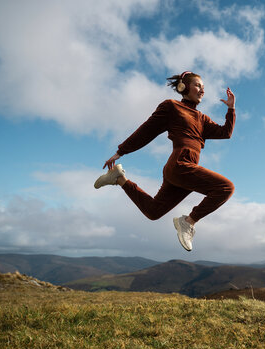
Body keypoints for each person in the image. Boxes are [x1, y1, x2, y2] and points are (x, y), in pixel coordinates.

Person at [94, 71, 236, 252]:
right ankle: (188, 222)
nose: (202, 91)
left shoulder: (202, 119)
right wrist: (121, 151)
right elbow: (146, 130)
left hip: (187, 170)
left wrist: (231, 109)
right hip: (179, 165)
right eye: (198, 85)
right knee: (225, 188)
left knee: (153, 212)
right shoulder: (172, 107)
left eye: (203, 88)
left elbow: (226, 133)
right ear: (183, 87)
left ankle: (119, 178)